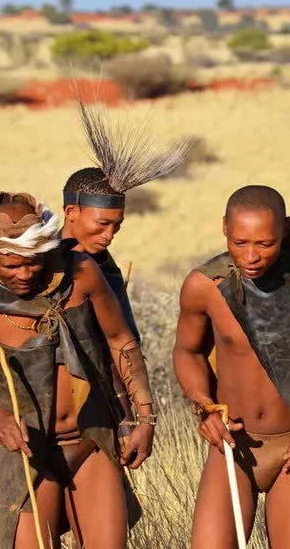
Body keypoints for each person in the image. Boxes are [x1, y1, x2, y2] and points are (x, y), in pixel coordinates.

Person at [0, 192, 156, 549]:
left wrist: (145, 419)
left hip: (91, 440)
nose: (24, 274)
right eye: (12, 266)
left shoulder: (81, 275)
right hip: (25, 454)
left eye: (34, 262)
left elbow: (121, 341)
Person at [173, 185, 290, 549]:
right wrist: (204, 406)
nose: (251, 256)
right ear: (224, 227)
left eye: (265, 244)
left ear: (285, 231)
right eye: (240, 242)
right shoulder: (204, 286)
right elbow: (187, 351)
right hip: (233, 447)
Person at [60, 98, 191, 447]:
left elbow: (122, 345)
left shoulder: (105, 269)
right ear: (71, 213)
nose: (110, 235)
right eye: (102, 224)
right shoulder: (33, 266)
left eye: (116, 226)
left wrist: (138, 419)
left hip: (102, 416)